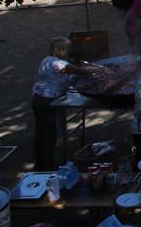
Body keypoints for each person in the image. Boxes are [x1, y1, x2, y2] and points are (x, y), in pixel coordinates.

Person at [31, 38, 100, 170]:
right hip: (46, 100)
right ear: (61, 50)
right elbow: (74, 70)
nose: (70, 51)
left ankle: (38, 160)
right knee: (50, 133)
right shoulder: (58, 63)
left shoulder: (46, 60)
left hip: (36, 98)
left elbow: (68, 75)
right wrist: (92, 70)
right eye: (68, 48)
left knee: (40, 130)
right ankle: (47, 165)